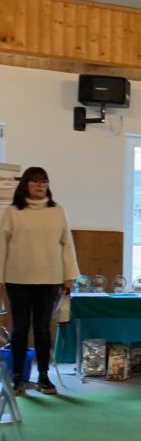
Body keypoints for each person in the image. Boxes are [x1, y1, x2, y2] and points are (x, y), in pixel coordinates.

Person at [0, 166, 78, 395]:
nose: (40, 185)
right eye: (35, 181)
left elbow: (67, 243)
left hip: (50, 279)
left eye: (44, 181)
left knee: (43, 329)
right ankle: (18, 378)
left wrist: (69, 275)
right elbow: (2, 246)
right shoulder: (13, 212)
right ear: (25, 184)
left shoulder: (57, 211)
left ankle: (44, 377)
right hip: (17, 279)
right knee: (20, 329)